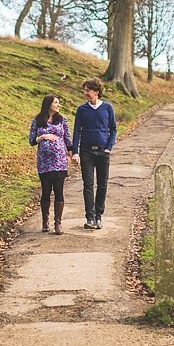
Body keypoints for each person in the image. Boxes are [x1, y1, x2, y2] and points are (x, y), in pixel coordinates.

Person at [71, 77, 117, 230]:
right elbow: (77, 131)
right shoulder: (82, 110)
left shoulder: (108, 108)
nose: (85, 93)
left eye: (88, 90)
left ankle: (99, 216)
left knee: (102, 185)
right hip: (86, 152)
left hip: (103, 152)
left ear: (96, 92)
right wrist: (75, 152)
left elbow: (113, 129)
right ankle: (89, 217)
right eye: (85, 90)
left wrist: (109, 147)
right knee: (88, 185)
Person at [29, 94, 74, 235]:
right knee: (46, 192)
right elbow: (31, 141)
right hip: (44, 162)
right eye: (56, 103)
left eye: (58, 103)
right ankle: (45, 221)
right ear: (48, 104)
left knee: (59, 191)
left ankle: (58, 223)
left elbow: (67, 138)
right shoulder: (37, 120)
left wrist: (72, 153)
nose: (58, 105)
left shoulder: (62, 120)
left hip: (60, 162)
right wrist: (42, 137)